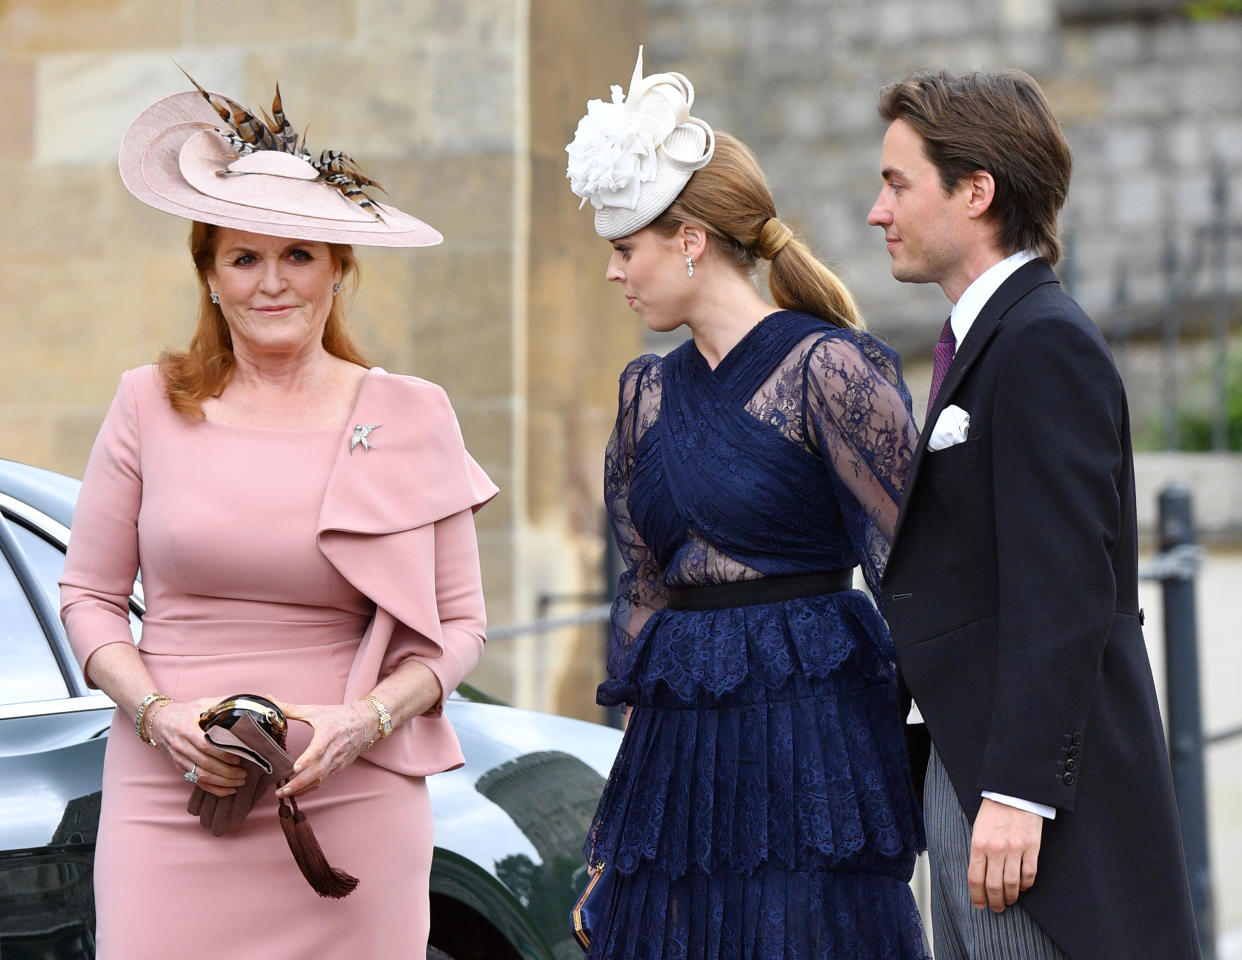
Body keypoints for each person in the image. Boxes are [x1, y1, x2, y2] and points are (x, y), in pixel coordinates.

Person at [58, 76, 497, 958]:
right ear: (210, 278)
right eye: (243, 258)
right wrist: (158, 715)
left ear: (338, 267)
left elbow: (460, 628)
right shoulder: (146, 404)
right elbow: (88, 598)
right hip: (170, 794)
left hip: (349, 794)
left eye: (298, 254)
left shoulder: (411, 413)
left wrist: (362, 721)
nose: (272, 284)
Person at [564, 48, 929, 959]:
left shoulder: (830, 368)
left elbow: (919, 575)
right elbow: (644, 597)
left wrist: (991, 781)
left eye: (625, 248)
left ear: (689, 238)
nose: (614, 274)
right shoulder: (644, 390)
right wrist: (623, 828)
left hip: (813, 740)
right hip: (679, 757)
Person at [867, 69, 1201, 960]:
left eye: (898, 183)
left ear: (976, 191)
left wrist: (1016, 793)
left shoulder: (1042, 342)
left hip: (1024, 806)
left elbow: (1067, 589)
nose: (877, 210)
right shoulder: (992, 340)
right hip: (963, 768)